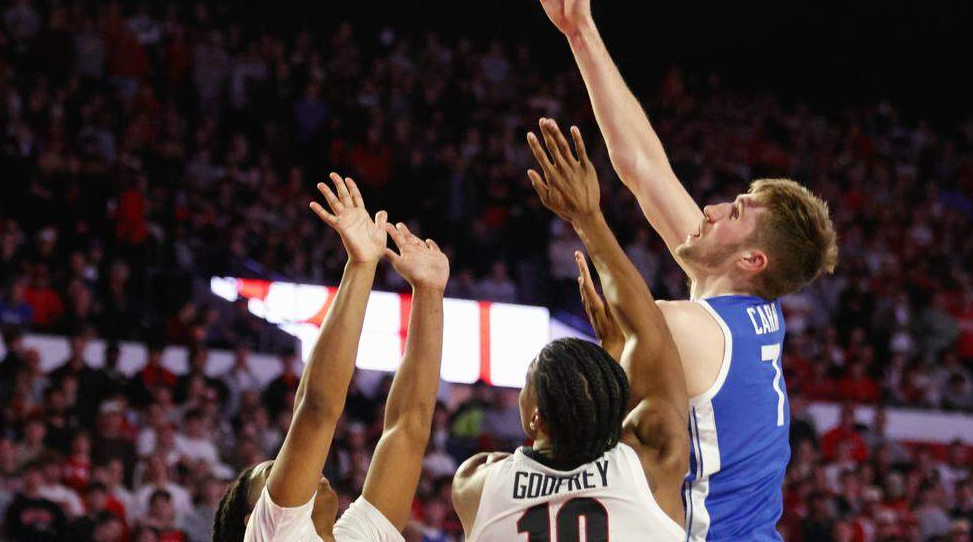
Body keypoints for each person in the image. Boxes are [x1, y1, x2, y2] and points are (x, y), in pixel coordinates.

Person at [513, 0, 840, 540]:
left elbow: (578, 416)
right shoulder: (749, 310)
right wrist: (579, 29)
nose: (710, 210)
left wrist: (586, 219)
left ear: (752, 258)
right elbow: (643, 167)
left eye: (735, 212)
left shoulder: (692, 331)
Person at [452, 123, 689, 539]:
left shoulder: (478, 483)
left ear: (535, 417)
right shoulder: (652, 465)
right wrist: (589, 217)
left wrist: (610, 357)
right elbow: (652, 334)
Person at [213, 172, 449, 542]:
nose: (299, 465)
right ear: (253, 521)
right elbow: (317, 411)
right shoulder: (273, 533)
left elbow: (409, 427)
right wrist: (360, 265)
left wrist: (429, 291)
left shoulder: (359, 535)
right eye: (275, 473)